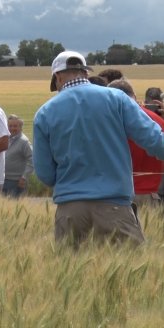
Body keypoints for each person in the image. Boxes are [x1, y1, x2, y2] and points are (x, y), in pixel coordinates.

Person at [33, 50, 164, 248]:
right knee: (127, 274)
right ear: (85, 73)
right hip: (115, 206)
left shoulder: (44, 113)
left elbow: (45, 174)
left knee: (72, 275)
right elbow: (155, 141)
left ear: (58, 77)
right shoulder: (117, 99)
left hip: (70, 210)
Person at [107, 79, 164, 207]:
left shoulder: (105, 122)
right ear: (134, 96)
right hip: (150, 194)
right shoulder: (157, 120)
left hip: (115, 196)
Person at [2, 114, 33, 198]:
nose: (12, 128)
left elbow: (32, 160)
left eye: (15, 126)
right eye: (10, 126)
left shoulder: (24, 142)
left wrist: (24, 177)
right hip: (3, 179)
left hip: (16, 182)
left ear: (20, 127)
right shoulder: (5, 139)